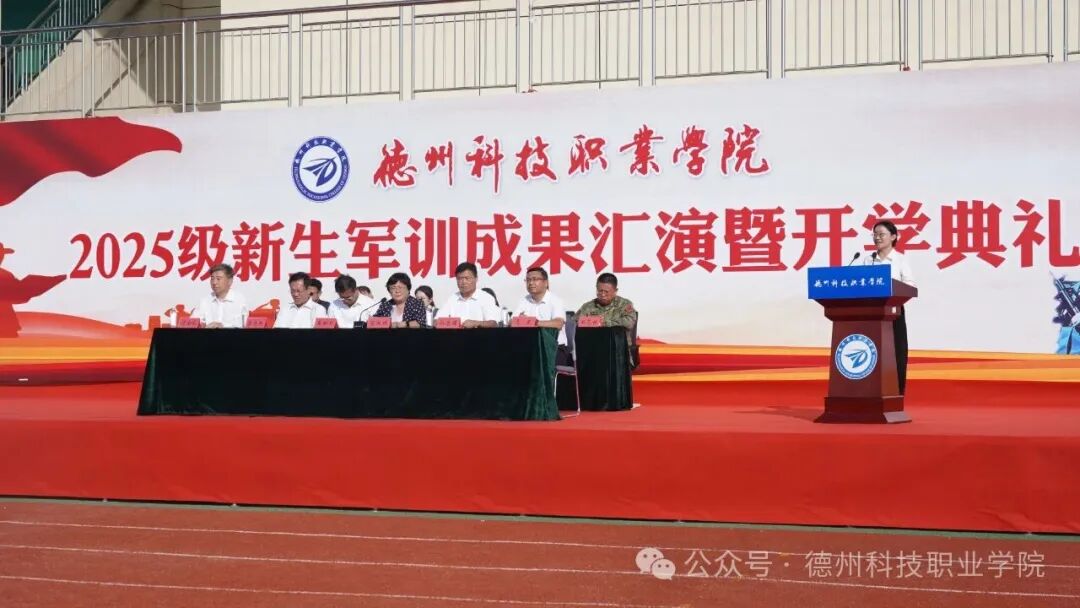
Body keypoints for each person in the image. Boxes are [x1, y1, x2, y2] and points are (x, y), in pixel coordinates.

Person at [861, 220, 916, 394]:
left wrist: (892, 287)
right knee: (872, 352)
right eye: (875, 234)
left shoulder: (900, 260)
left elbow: (910, 285)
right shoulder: (868, 260)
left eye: (881, 234)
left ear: (893, 237)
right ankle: (870, 391)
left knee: (896, 352)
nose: (877, 238)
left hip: (894, 311)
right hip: (871, 313)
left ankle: (896, 392)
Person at [513, 267, 570, 364]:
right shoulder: (524, 301)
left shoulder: (556, 300)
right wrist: (519, 321)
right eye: (528, 280)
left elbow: (558, 323)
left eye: (535, 279)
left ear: (546, 283)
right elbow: (512, 322)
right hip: (530, 347)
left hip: (554, 347)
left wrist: (533, 322)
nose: (531, 283)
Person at [436, 262, 501, 328]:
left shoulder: (486, 298)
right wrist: (455, 324)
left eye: (467, 278)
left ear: (476, 279)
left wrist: (475, 323)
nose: (463, 282)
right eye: (459, 279)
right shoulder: (452, 299)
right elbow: (436, 321)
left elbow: (493, 323)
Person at [190, 263, 247, 328]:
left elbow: (245, 325)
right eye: (212, 279)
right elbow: (191, 323)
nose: (214, 282)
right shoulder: (205, 300)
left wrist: (223, 326)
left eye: (218, 279)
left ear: (230, 281)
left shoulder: (239, 300)